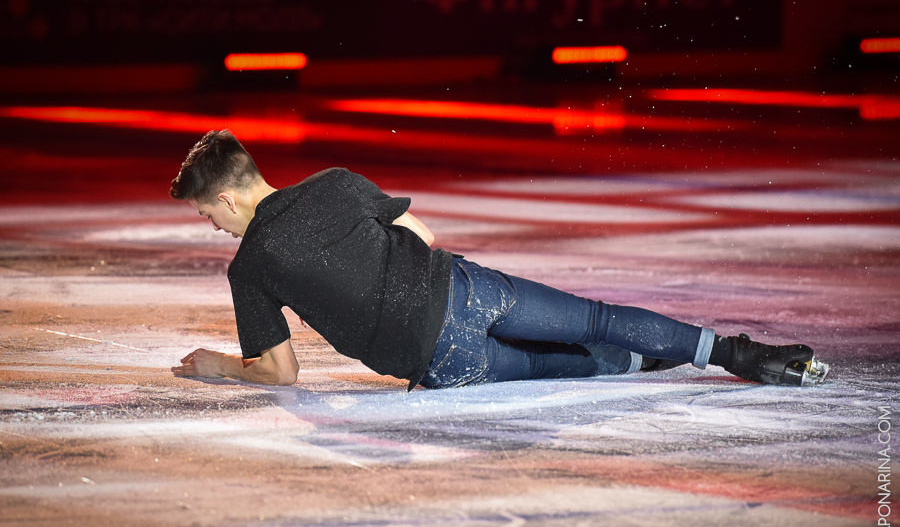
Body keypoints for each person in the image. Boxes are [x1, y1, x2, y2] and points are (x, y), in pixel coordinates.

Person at [169, 130, 829, 390]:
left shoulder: (250, 264)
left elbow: (281, 374)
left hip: (439, 358)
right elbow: (417, 230)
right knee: (594, 317)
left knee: (562, 363)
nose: (215, 228)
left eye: (208, 216)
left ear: (227, 198)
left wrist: (217, 367)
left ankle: (639, 358)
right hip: (463, 291)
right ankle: (742, 355)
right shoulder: (336, 181)